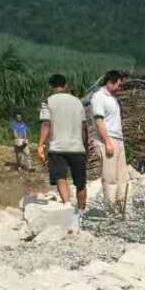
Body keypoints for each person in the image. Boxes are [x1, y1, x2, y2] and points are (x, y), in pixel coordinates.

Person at [37, 75, 88, 212]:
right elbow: (84, 127)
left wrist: (40, 144)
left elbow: (46, 123)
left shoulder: (48, 101)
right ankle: (81, 210)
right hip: (77, 148)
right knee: (80, 182)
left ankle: (67, 204)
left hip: (57, 148)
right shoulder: (78, 102)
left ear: (51, 86)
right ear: (65, 86)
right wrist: (85, 146)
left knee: (60, 177)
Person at [90, 69, 129, 212]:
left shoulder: (113, 98)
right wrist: (107, 142)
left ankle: (122, 205)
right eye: (118, 84)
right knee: (110, 177)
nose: (120, 87)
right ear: (110, 82)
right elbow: (99, 121)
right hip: (107, 139)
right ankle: (110, 209)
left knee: (122, 176)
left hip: (118, 139)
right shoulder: (98, 97)